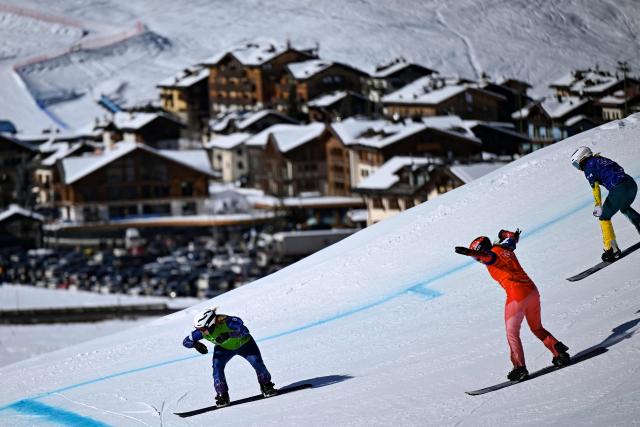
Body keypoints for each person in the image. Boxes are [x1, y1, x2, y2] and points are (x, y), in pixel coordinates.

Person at [455, 229, 570, 381]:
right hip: (532, 292)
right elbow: (512, 238)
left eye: (477, 258)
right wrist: (506, 234)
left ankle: (519, 367)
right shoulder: (506, 247)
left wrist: (470, 253)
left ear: (481, 251)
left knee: (512, 333)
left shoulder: (491, 256)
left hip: (517, 296)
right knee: (537, 328)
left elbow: (487, 256)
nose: (479, 261)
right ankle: (558, 350)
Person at [183, 308, 276, 407]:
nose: (200, 332)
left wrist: (228, 334)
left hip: (245, 344)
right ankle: (222, 394)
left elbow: (245, 331)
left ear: (210, 324)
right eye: (198, 329)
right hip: (224, 349)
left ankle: (266, 384)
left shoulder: (227, 322)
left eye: (202, 329)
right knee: (217, 367)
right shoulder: (200, 332)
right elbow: (185, 342)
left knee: (256, 362)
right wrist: (196, 345)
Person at [571, 146, 640, 262]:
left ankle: (611, 250)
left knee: (604, 218)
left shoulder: (588, 166)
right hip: (631, 184)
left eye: (576, 164)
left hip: (619, 189)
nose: (578, 168)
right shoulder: (601, 159)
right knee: (624, 208)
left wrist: (598, 205)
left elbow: (595, 188)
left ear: (582, 159)